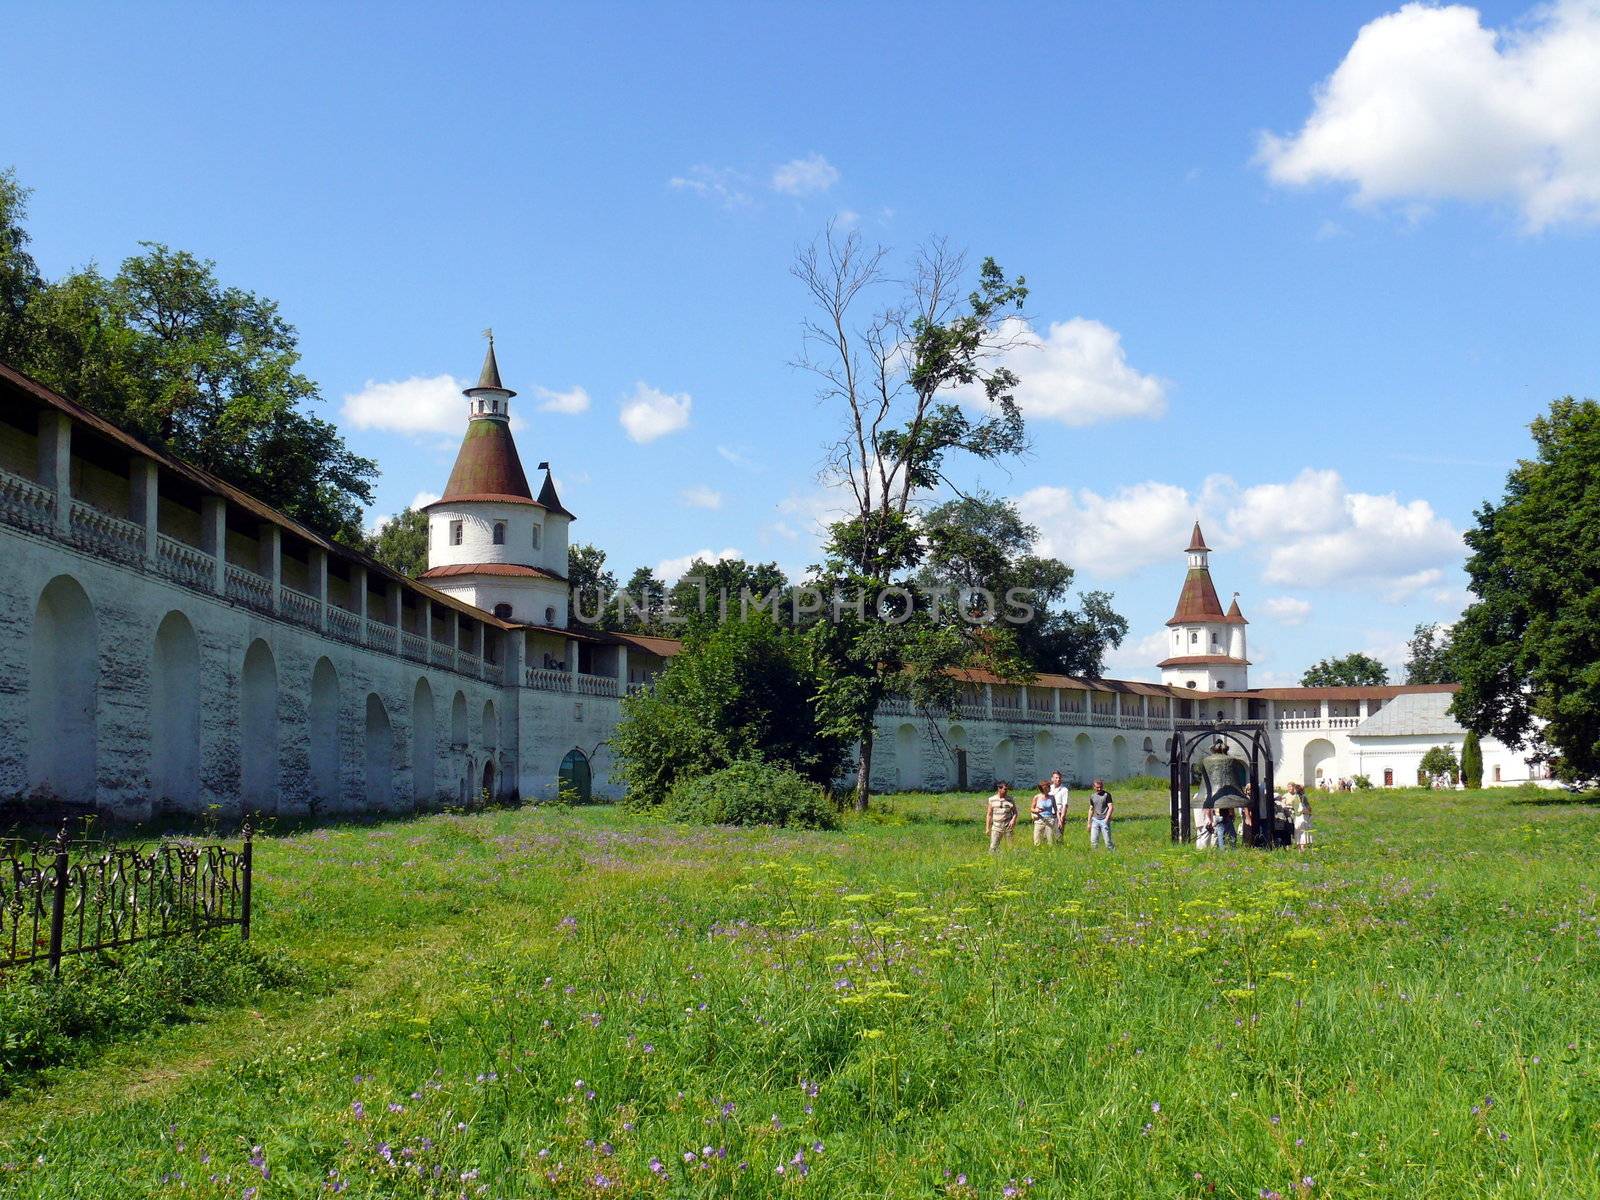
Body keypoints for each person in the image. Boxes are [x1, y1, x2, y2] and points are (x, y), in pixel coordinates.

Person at [985, 782, 1017, 853]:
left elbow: (1015, 812)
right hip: (996, 826)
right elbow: (989, 814)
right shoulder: (992, 799)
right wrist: (987, 828)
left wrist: (1013, 820)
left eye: (1007, 789)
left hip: (1008, 825)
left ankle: (1011, 859)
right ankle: (993, 860)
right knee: (993, 847)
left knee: (1010, 846)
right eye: (1004, 789)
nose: (1006, 791)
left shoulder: (1010, 799)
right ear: (999, 789)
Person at [1086, 778, 1114, 850]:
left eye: (1100, 787)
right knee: (1093, 841)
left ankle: (1112, 854)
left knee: (1108, 842)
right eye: (1097, 787)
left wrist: (1107, 819)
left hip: (1104, 820)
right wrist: (1089, 823)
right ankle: (1095, 856)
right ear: (1094, 787)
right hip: (1095, 820)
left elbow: (1111, 807)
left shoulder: (1107, 795)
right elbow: (1091, 809)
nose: (1099, 789)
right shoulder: (1092, 796)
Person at [1029, 780, 1059, 846]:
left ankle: (1050, 852)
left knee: (1050, 840)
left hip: (1050, 820)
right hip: (1039, 820)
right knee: (1037, 839)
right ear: (1044, 788)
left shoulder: (1052, 797)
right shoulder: (1037, 797)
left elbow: (1056, 809)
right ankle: (1038, 851)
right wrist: (1036, 811)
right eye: (1048, 787)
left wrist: (1056, 818)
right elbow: (1031, 809)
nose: (1050, 788)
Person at [1292, 783, 1314, 850]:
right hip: (1302, 816)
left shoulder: (1294, 797)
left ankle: (1300, 848)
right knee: (1303, 832)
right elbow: (1308, 808)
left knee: (1298, 831)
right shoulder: (1303, 797)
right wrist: (1308, 811)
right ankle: (1302, 848)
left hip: (1297, 817)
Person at [1049, 770, 1070, 834]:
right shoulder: (1048, 788)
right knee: (1048, 835)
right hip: (1048, 813)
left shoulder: (1064, 790)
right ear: (1052, 779)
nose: (1058, 779)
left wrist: (1061, 818)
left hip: (1059, 814)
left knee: (1059, 834)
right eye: (1056, 778)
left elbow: (1065, 805)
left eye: (1059, 778)